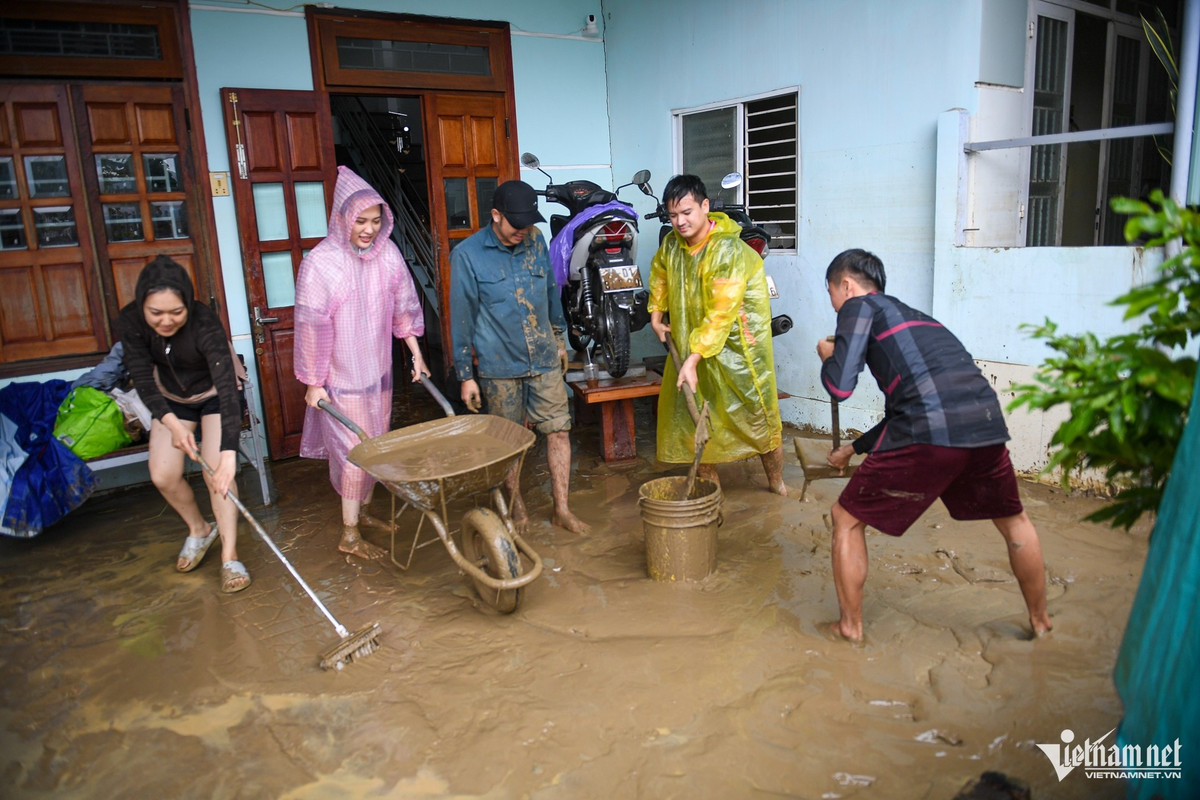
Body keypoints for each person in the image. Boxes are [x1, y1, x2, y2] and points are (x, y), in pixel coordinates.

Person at [816, 248, 1053, 642]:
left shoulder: (858, 307)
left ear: (846, 284)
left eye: (831, 293)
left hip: (931, 430)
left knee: (846, 517)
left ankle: (849, 628)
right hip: (985, 425)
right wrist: (853, 449)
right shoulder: (920, 319)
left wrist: (829, 356)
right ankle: (1042, 623)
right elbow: (906, 407)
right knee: (1014, 520)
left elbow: (840, 386)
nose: (834, 303)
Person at [294, 166, 429, 560]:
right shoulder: (320, 264)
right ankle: (349, 533)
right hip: (340, 379)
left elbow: (403, 309)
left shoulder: (386, 255)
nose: (368, 229)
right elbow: (310, 325)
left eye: (375, 221)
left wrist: (417, 355)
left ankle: (364, 514)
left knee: (375, 447)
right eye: (360, 221)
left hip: (378, 374)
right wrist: (313, 381)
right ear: (342, 219)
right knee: (356, 455)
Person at [449, 180, 590, 535]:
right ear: (495, 216)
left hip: (543, 358)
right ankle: (517, 511)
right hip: (500, 367)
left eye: (529, 224)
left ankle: (562, 509)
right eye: (516, 225)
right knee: (510, 443)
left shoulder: (535, 242)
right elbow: (462, 316)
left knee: (559, 431)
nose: (523, 232)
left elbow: (549, 293)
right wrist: (466, 374)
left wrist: (560, 339)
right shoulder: (467, 255)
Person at [118, 255, 250, 593]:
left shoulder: (205, 322)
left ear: (188, 304)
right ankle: (199, 530)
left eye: (176, 313)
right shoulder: (131, 321)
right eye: (156, 314)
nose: (165, 321)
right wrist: (173, 425)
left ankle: (230, 555)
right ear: (142, 307)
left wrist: (228, 456)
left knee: (216, 474)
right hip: (170, 400)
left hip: (214, 395)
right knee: (163, 473)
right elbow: (143, 380)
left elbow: (226, 388)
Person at [647, 174, 785, 494]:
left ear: (705, 206)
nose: (679, 222)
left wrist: (692, 358)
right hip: (692, 341)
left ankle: (777, 484)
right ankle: (712, 497)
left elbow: (721, 313)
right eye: (673, 215)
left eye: (687, 212)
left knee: (757, 413)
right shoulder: (672, 245)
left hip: (738, 346)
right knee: (697, 415)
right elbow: (660, 276)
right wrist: (656, 316)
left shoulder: (726, 250)